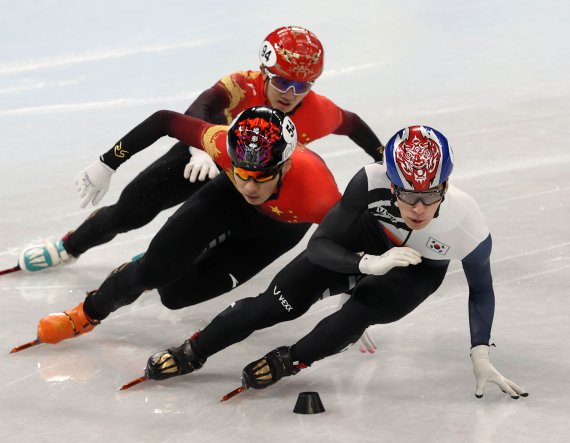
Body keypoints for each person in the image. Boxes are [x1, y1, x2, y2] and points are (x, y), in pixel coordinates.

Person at [142, 125, 528, 400]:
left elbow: (482, 290)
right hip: (363, 240)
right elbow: (320, 245)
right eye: (407, 196)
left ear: (445, 186)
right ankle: (192, 352)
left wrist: (480, 351)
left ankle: (289, 360)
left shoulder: (468, 224)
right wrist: (363, 265)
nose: (418, 209)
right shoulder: (370, 180)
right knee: (274, 304)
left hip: (419, 267)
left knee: (357, 313)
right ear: (390, 184)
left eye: (429, 196)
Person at [17, 25, 384, 273]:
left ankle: (168, 257)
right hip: (206, 157)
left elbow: (351, 124)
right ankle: (70, 246)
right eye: (282, 81)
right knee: (131, 211)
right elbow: (201, 108)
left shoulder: (318, 111)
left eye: (301, 86)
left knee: (210, 234)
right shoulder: (241, 84)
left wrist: (381, 155)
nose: (290, 94)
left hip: (258, 182)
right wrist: (198, 150)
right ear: (263, 70)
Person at [25, 105, 343, 349]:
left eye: (260, 176)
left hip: (277, 231)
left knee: (175, 296)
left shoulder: (318, 195)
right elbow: (164, 120)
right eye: (241, 171)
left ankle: (174, 258)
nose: (249, 185)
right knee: (152, 271)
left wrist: (350, 291)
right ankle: (86, 314)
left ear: (285, 165)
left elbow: (352, 236)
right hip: (224, 201)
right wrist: (108, 161)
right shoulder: (220, 143)